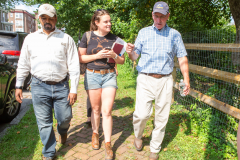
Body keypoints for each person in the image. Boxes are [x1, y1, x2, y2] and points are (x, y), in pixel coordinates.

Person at [126, 1, 190, 160]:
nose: (159, 20)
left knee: (162, 117)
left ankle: (154, 148)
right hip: (145, 79)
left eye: (162, 16)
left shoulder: (175, 34)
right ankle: (138, 136)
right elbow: (135, 55)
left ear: (168, 16)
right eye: (156, 16)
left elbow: (182, 57)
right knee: (141, 115)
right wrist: (129, 52)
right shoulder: (143, 32)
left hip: (166, 80)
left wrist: (186, 79)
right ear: (152, 15)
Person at [15, 4, 80, 160]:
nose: (47, 21)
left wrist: (74, 88)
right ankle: (49, 152)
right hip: (38, 86)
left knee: (65, 117)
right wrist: (18, 85)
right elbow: (23, 63)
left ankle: (63, 131)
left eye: (51, 18)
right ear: (39, 18)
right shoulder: (30, 39)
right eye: (44, 18)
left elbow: (74, 64)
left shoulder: (66, 38)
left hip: (61, 86)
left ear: (56, 18)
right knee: (44, 122)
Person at [78, 9, 125, 160]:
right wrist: (97, 56)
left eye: (110, 21)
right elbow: (81, 58)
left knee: (107, 111)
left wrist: (114, 55)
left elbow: (122, 60)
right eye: (105, 21)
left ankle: (108, 144)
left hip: (109, 76)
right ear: (97, 23)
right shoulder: (87, 36)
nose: (109, 24)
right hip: (92, 75)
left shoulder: (116, 39)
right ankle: (95, 133)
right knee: (96, 109)